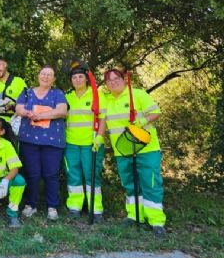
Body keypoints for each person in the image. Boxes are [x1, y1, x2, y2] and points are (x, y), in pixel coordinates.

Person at [104, 68, 166, 236]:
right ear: (106, 85)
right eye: (109, 80)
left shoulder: (137, 94)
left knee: (150, 182)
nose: (113, 82)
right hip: (122, 151)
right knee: (130, 184)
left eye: (116, 78)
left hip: (146, 148)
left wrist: (143, 120)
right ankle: (134, 216)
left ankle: (156, 221)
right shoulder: (107, 100)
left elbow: (156, 112)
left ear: (124, 79)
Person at [15, 65, 68, 221]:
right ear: (38, 76)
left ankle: (52, 206)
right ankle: (31, 204)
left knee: (51, 174)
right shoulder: (26, 92)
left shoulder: (58, 94)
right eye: (43, 74)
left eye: (49, 75)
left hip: (52, 142)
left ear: (54, 79)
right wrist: (27, 112)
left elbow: (62, 111)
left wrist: (39, 115)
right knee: (32, 174)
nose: (45, 77)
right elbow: (19, 109)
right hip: (29, 140)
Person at [64, 65, 107, 220]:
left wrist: (100, 137)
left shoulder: (97, 95)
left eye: (80, 77)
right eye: (74, 77)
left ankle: (95, 208)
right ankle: (75, 206)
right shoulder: (67, 96)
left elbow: (103, 118)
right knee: (73, 174)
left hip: (91, 142)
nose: (77, 80)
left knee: (91, 175)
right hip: (71, 142)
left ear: (86, 79)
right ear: (71, 81)